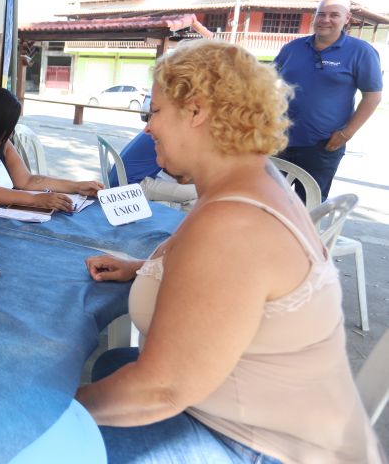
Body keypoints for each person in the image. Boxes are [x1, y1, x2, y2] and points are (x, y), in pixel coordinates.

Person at [79, 39, 383, 463]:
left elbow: (160, 390)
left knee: (44, 439)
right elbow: (221, 272)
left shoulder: (233, 222)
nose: (148, 127)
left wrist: (58, 411)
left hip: (266, 446)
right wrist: (140, 267)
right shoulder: (249, 180)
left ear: (197, 111)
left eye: (156, 112)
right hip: (262, 415)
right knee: (114, 363)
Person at [275, 0, 382, 200]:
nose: (325, 20)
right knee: (270, 200)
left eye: (334, 15)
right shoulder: (293, 48)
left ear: (347, 19)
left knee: (309, 204)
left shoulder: (361, 52)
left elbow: (372, 96)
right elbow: (266, 80)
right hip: (279, 139)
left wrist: (346, 134)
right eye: (321, 14)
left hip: (322, 145)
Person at [0, 87, 103, 212]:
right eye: (7, 128)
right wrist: (35, 200)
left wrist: (76, 186)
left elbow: (26, 180)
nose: (10, 134)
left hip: (5, 211)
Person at [117, 131, 197, 209]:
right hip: (131, 186)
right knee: (197, 193)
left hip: (123, 178)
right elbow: (180, 172)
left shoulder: (158, 127)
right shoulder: (170, 135)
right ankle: (188, 221)